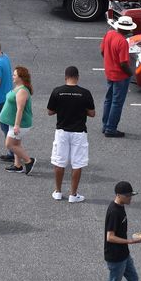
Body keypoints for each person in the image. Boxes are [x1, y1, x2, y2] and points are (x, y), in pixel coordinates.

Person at [100, 180, 141, 281]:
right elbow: (110, 237)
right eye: (127, 196)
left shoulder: (120, 207)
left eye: (131, 195)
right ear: (118, 195)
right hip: (115, 256)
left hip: (123, 253)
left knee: (133, 279)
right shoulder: (114, 211)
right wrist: (131, 241)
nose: (130, 198)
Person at [48, 65, 94, 202]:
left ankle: (58, 191)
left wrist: (62, 108)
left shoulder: (57, 91)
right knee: (77, 163)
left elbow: (50, 111)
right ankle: (73, 195)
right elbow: (92, 113)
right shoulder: (85, 93)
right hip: (79, 132)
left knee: (59, 161)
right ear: (77, 77)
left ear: (65, 77)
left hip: (62, 132)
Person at [100, 16, 136, 137]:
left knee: (108, 100)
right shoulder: (123, 42)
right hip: (120, 76)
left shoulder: (109, 34)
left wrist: (109, 62)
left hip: (109, 72)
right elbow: (123, 63)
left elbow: (102, 51)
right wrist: (131, 74)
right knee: (117, 103)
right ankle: (111, 128)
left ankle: (105, 125)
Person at [1, 66, 36, 175]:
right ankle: (17, 166)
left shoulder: (22, 91)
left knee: (9, 144)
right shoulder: (19, 88)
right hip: (14, 123)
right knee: (16, 144)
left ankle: (29, 161)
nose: (12, 76)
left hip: (20, 124)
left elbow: (20, 109)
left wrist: (17, 125)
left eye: (14, 75)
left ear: (21, 77)